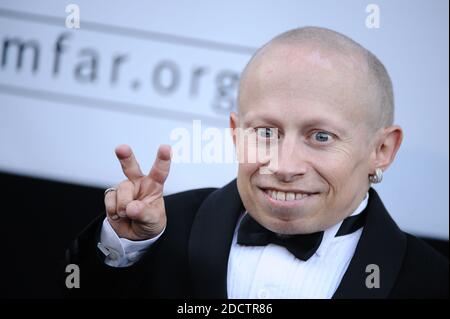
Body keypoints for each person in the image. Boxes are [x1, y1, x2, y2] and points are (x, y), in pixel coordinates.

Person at [65, 26, 448, 299]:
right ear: (236, 133)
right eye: (266, 132)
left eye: (321, 137)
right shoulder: (159, 233)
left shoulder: (432, 281)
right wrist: (125, 249)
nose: (284, 166)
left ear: (382, 150)